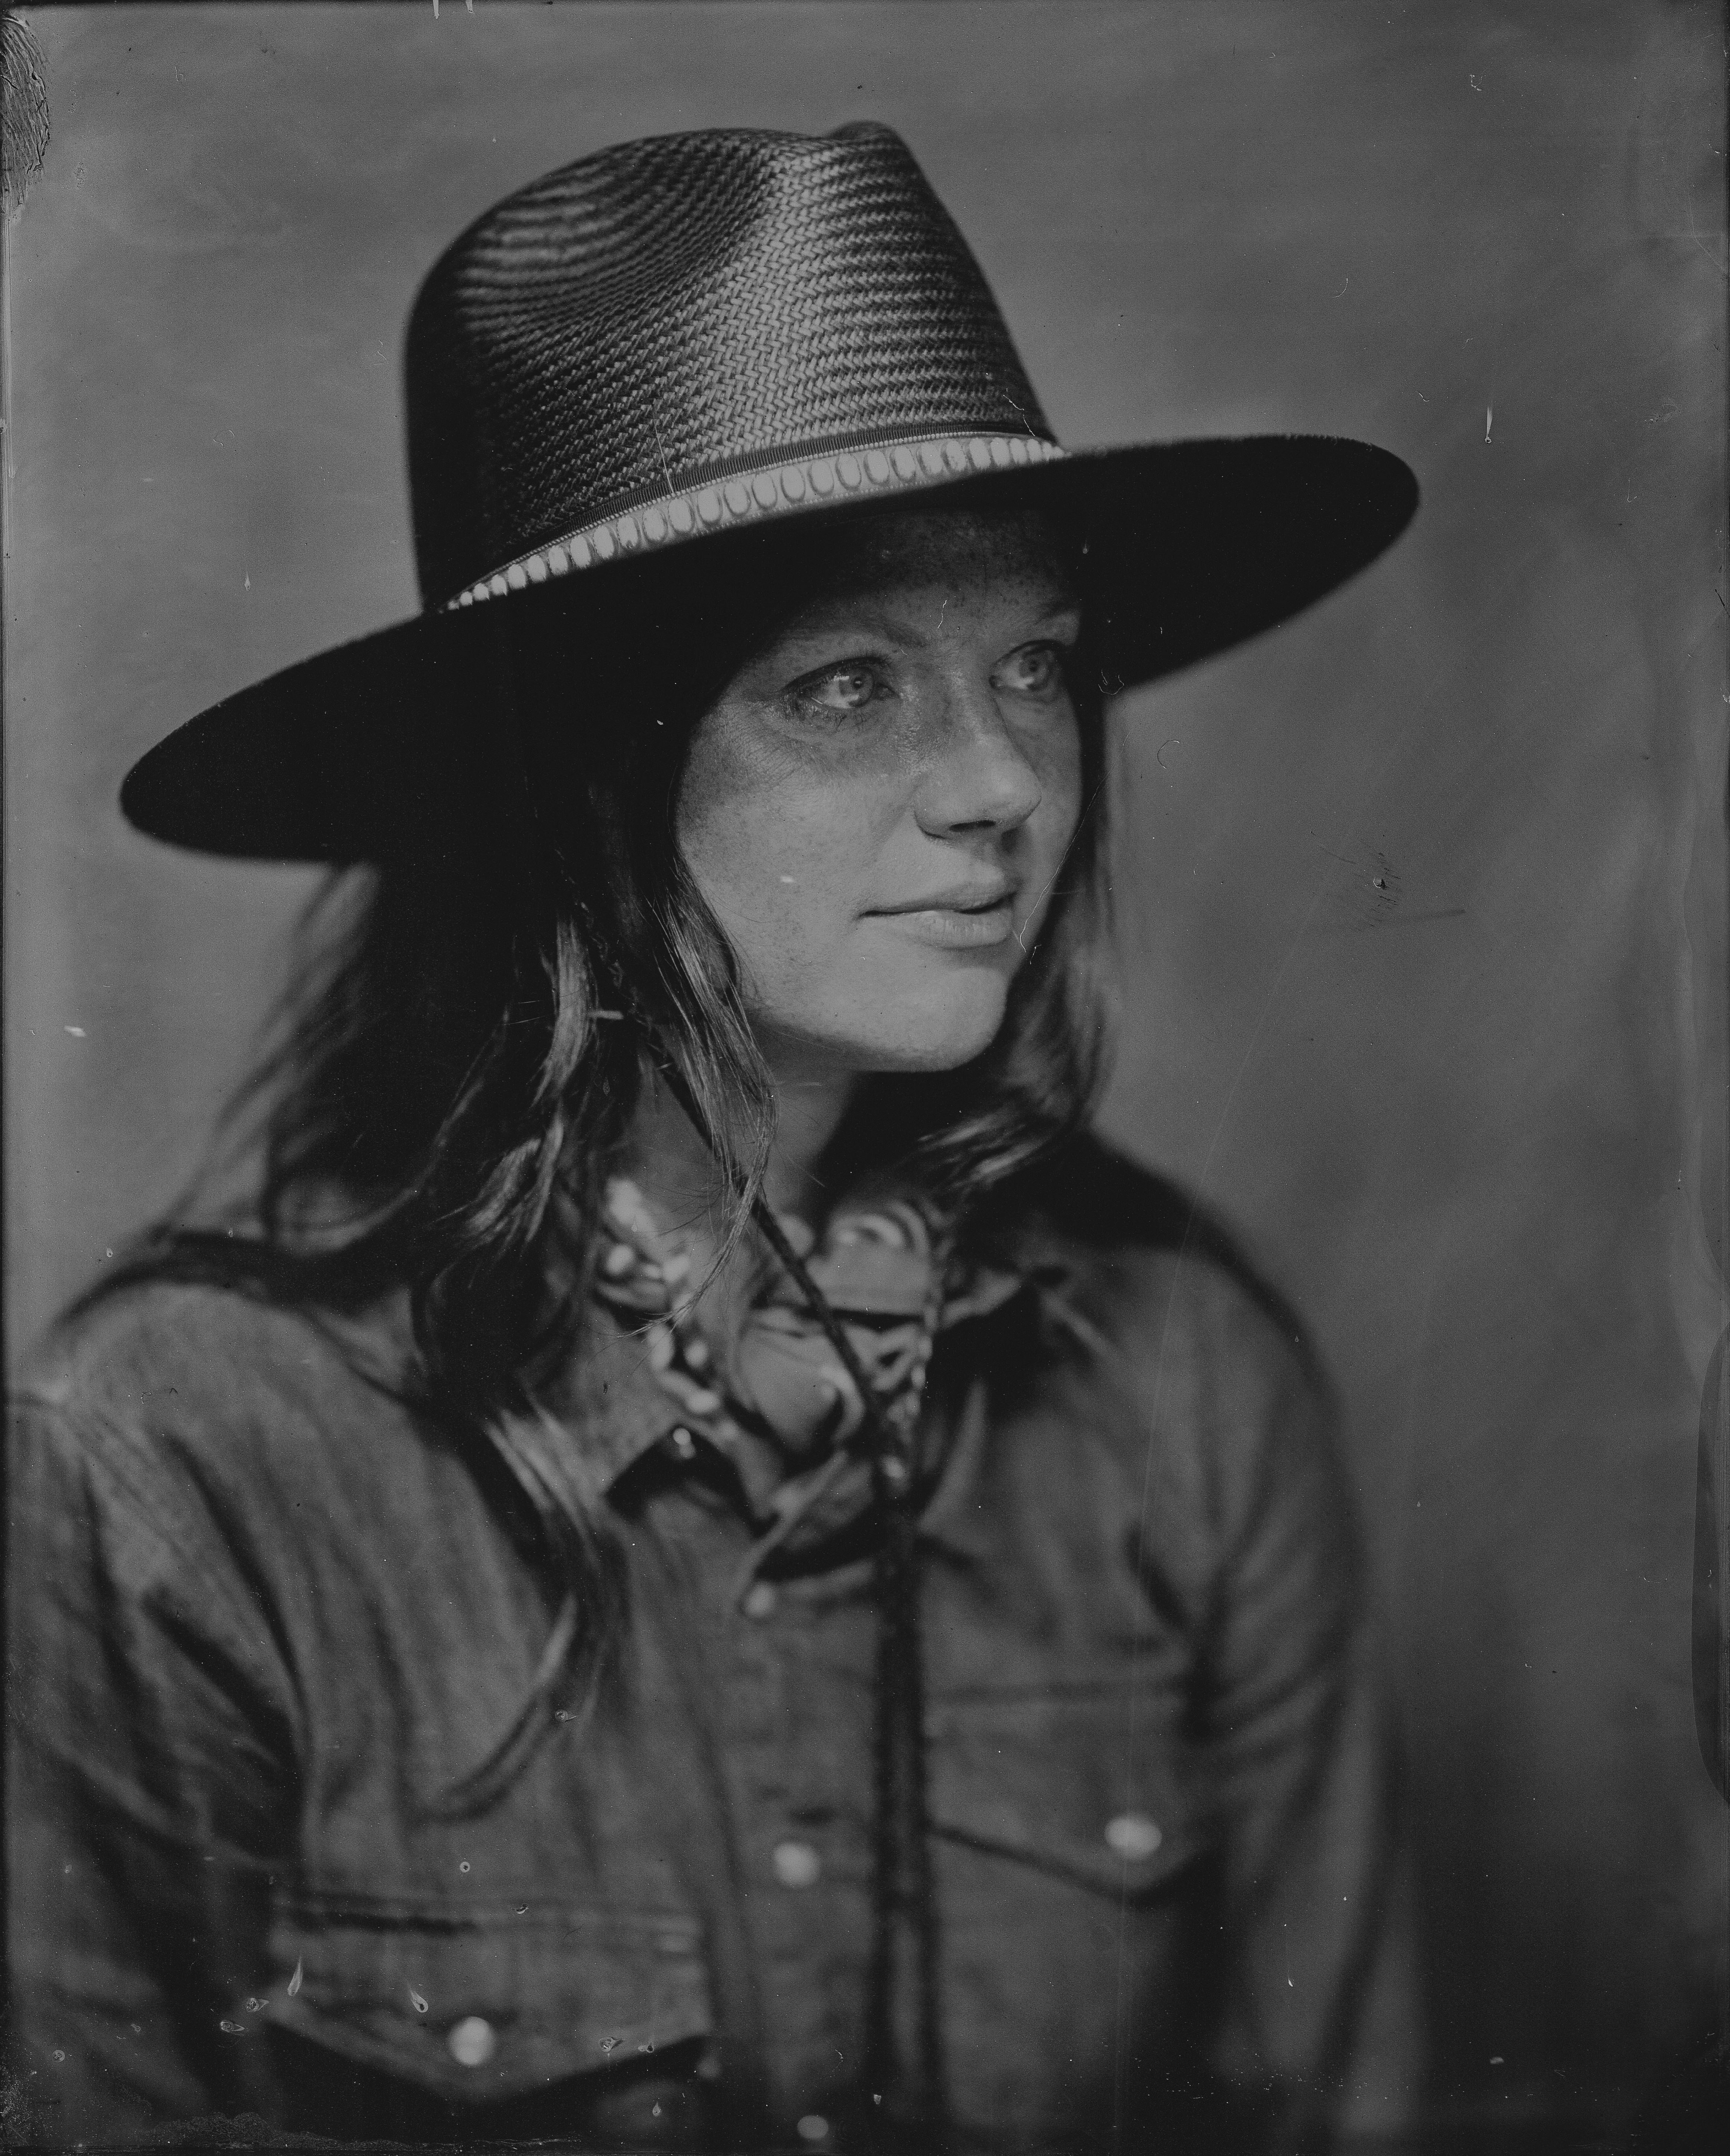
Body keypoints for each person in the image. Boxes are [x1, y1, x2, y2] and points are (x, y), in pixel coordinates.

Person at [7, 123, 1419, 2152]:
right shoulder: (177, 1466)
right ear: (576, 781)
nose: (1003, 784)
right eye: (845, 686)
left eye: (1033, 667)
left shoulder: (1182, 1373)